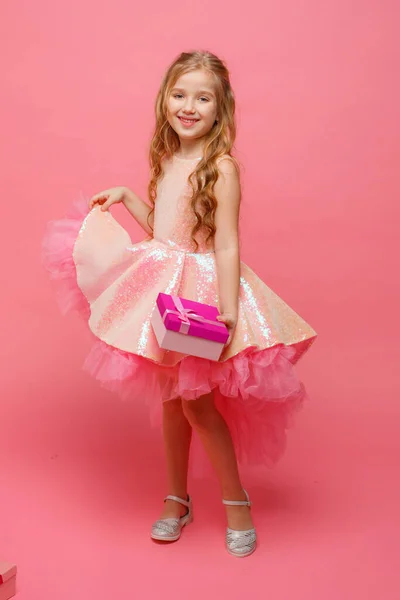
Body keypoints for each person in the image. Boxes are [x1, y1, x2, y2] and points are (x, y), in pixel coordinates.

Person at [42, 50, 317, 558]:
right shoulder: (168, 159)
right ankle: (177, 498)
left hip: (203, 288)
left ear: (220, 110)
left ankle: (237, 502)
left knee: (197, 402)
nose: (188, 106)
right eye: (180, 94)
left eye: (203, 97)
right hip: (161, 284)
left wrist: (230, 310)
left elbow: (227, 243)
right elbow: (167, 229)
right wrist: (128, 196)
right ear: (166, 99)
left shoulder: (223, 167)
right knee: (173, 399)